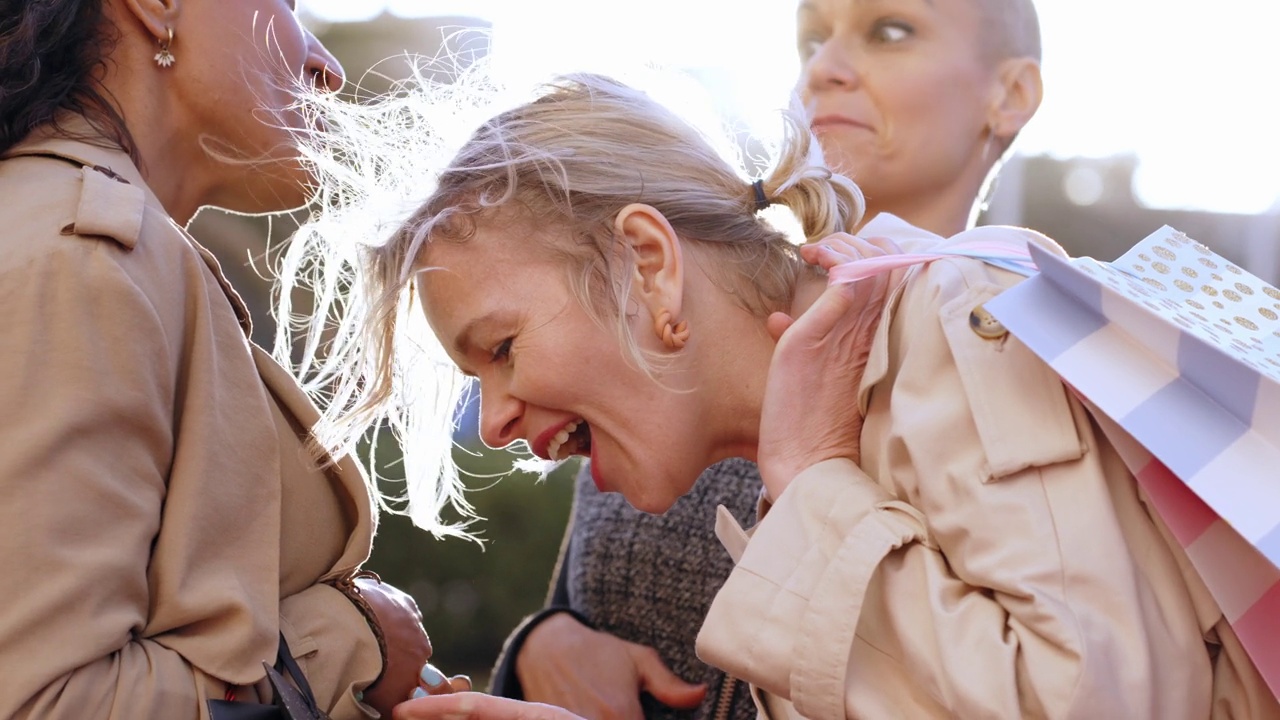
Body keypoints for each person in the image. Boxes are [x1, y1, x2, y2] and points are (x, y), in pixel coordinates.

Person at [286, 70, 1279, 719]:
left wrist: (810, 486)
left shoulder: (953, 326)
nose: (496, 423)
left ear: (647, 264)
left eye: (499, 347)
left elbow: (1103, 703)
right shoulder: (783, 445)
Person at [487, 0, 1046, 717]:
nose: (825, 68)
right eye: (811, 39)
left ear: (1012, 95)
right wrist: (544, 644)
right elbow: (581, 593)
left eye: (890, 31)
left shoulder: (1018, 357)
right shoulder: (665, 335)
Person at [0, 1, 451, 716]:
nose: (325, 67)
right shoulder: (81, 261)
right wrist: (347, 643)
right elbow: (46, 702)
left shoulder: (90, 242)